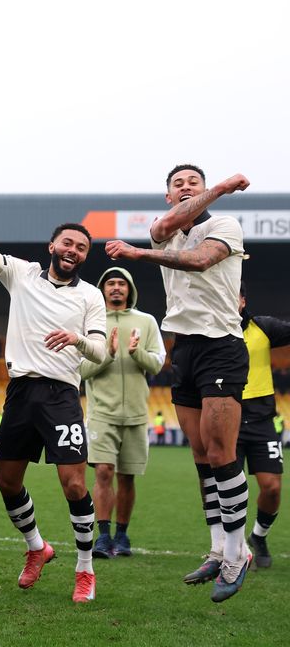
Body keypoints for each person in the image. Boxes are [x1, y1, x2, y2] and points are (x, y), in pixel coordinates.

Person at [105, 165, 251, 602]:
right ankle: (215, 548)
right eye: (177, 185)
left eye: (194, 183)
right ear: (169, 196)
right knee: (202, 455)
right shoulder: (163, 229)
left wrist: (222, 190)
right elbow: (166, 227)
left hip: (221, 343)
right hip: (183, 348)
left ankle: (237, 552)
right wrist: (146, 246)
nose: (185, 187)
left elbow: (202, 259)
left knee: (223, 453)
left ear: (206, 192)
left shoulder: (224, 223)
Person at [0, 181, 107, 604]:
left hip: (62, 395)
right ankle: (37, 548)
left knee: (74, 485)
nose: (74, 251)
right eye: (68, 242)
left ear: (84, 256)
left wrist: (77, 339)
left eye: (81, 248)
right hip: (21, 393)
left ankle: (85, 570)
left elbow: (100, 352)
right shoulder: (21, 273)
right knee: (7, 482)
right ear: (52, 246)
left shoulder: (91, 296)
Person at [78, 268, 165, 559]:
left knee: (128, 478)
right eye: (111, 283)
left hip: (137, 414)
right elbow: (82, 370)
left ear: (130, 289)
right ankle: (103, 538)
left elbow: (157, 364)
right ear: (103, 289)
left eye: (121, 283)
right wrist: (110, 354)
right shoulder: (92, 322)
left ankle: (122, 536)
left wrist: (136, 352)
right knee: (103, 472)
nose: (116, 288)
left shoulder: (146, 321)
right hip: (102, 412)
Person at [237, 284, 290, 569]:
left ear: (243, 301)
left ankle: (259, 536)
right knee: (229, 490)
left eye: (234, 295)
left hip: (261, 421)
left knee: (271, 488)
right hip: (226, 419)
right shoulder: (210, 332)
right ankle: (226, 547)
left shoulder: (263, 327)